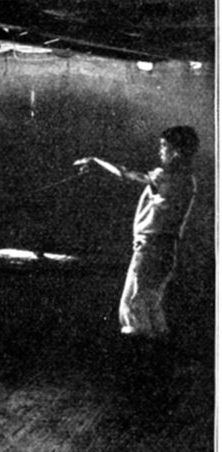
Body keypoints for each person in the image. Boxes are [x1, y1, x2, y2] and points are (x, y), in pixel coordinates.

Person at [74, 126, 198, 378]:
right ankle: (159, 372)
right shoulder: (184, 179)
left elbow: (126, 174)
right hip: (163, 249)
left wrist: (96, 162)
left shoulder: (168, 177)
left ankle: (140, 373)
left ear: (176, 151)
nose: (160, 150)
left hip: (152, 248)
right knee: (150, 308)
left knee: (132, 306)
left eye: (164, 146)